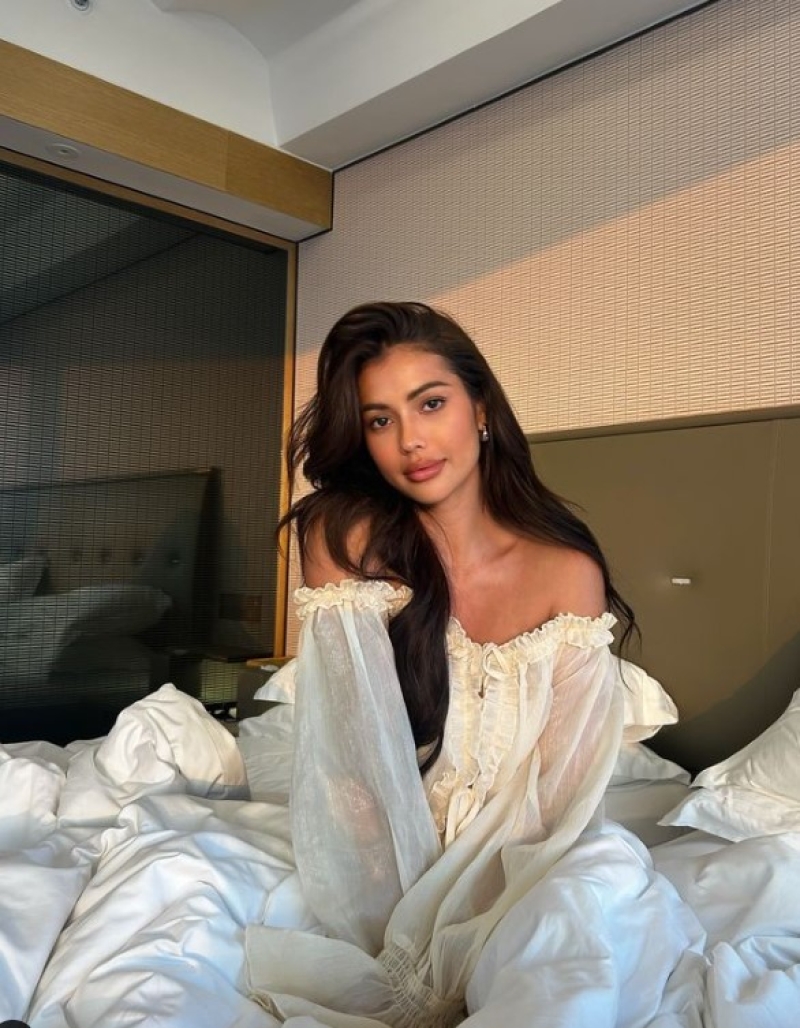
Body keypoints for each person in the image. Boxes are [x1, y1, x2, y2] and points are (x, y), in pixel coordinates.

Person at [246, 301, 659, 1027]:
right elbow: (355, 771)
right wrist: (409, 929)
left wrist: (479, 915)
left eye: (430, 403)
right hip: (381, 849)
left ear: (481, 409)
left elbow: (557, 796)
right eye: (380, 420)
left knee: (578, 924)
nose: (410, 440)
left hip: (524, 853)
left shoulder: (566, 572)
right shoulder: (344, 539)